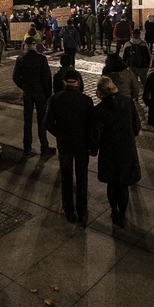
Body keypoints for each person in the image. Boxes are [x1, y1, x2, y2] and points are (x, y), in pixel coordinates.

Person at [44, 70, 94, 227]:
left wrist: (59, 133)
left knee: (66, 177)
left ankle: (69, 210)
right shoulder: (86, 100)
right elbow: (91, 126)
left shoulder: (55, 99)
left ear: (64, 82)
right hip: (82, 144)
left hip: (65, 143)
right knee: (81, 177)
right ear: (78, 82)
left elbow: (47, 123)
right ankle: (82, 210)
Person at [91, 77, 141, 229]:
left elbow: (96, 134)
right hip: (126, 148)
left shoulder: (98, 110)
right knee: (123, 184)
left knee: (112, 183)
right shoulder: (127, 102)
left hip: (109, 149)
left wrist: (94, 149)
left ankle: (114, 211)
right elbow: (136, 126)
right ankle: (123, 215)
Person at [12, 36, 55, 157]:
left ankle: (27, 147)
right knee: (42, 120)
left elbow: (15, 77)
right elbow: (47, 78)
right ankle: (44, 146)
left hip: (28, 92)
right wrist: (47, 94)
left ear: (25, 46)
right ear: (35, 46)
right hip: (40, 92)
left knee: (27, 120)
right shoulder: (41, 59)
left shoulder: (21, 59)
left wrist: (24, 86)